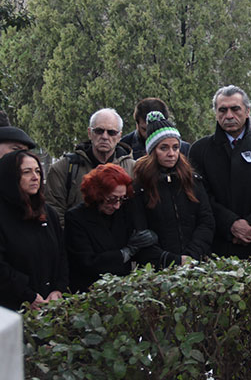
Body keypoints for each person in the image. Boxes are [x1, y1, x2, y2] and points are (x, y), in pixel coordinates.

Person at [190, 86, 251, 258]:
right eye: (223, 110)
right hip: (219, 246)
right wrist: (230, 224)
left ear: (247, 111)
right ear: (216, 113)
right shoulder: (200, 150)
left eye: (235, 109)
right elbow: (200, 197)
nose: (229, 115)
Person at [132, 112, 214, 268]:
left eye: (175, 147)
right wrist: (170, 260)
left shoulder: (192, 180)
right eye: (164, 148)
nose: (171, 153)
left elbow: (206, 221)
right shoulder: (140, 187)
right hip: (158, 268)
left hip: (196, 263)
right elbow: (140, 233)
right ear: (152, 150)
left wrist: (191, 255)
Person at [65, 164, 158, 292]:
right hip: (91, 291)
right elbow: (86, 262)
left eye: (121, 199)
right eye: (111, 199)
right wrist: (125, 253)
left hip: (122, 288)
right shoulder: (76, 218)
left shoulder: (124, 212)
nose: (117, 206)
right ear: (96, 194)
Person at [0, 150, 67, 310]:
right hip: (12, 309)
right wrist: (27, 295)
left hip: (49, 306)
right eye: (26, 172)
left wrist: (58, 288)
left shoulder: (48, 213)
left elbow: (61, 254)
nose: (35, 177)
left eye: (37, 171)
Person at [46, 108, 136, 227]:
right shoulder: (64, 168)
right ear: (89, 133)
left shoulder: (133, 168)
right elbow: (54, 211)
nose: (105, 136)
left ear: (119, 136)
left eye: (111, 132)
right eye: (99, 131)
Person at [122, 98, 190, 159]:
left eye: (157, 130)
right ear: (137, 124)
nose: (150, 135)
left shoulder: (185, 149)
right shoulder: (123, 147)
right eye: (145, 130)